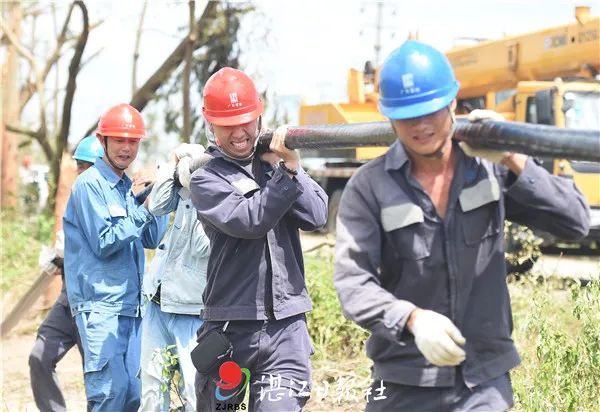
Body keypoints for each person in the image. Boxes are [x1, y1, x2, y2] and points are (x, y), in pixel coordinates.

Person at [333, 40, 590, 412]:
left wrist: (515, 157)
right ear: (388, 115)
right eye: (407, 115)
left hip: (483, 379)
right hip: (403, 378)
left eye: (431, 111)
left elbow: (576, 222)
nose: (421, 126)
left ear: (453, 102)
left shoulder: (491, 168)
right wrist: (412, 319)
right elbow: (353, 283)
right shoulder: (369, 187)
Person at [189, 67, 328, 411]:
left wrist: (288, 167)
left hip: (286, 329)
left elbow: (316, 216)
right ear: (211, 125)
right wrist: (285, 176)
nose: (239, 133)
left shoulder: (278, 166)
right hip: (230, 329)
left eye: (246, 121)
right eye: (227, 124)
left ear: (259, 117)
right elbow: (249, 220)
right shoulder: (207, 179)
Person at [63, 103, 168, 411]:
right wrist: (144, 209)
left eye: (133, 141)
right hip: (100, 307)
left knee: (134, 394)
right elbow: (105, 242)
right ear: (103, 140)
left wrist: (154, 196)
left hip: (132, 308)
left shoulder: (126, 187)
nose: (126, 148)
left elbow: (152, 239)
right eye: (119, 140)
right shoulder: (89, 185)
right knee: (110, 394)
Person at [29, 135, 103, 412]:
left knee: (97, 376)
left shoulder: (112, 203)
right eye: (80, 166)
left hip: (97, 305)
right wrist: (57, 258)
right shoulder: (74, 200)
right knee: (40, 357)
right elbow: (66, 245)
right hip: (68, 300)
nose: (83, 172)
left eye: (89, 166)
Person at [139, 143, 210, 412]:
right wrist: (174, 163)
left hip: (192, 310)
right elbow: (156, 206)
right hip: (159, 299)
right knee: (152, 391)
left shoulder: (222, 191)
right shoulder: (183, 182)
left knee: (195, 393)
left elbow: (204, 248)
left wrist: (201, 194)